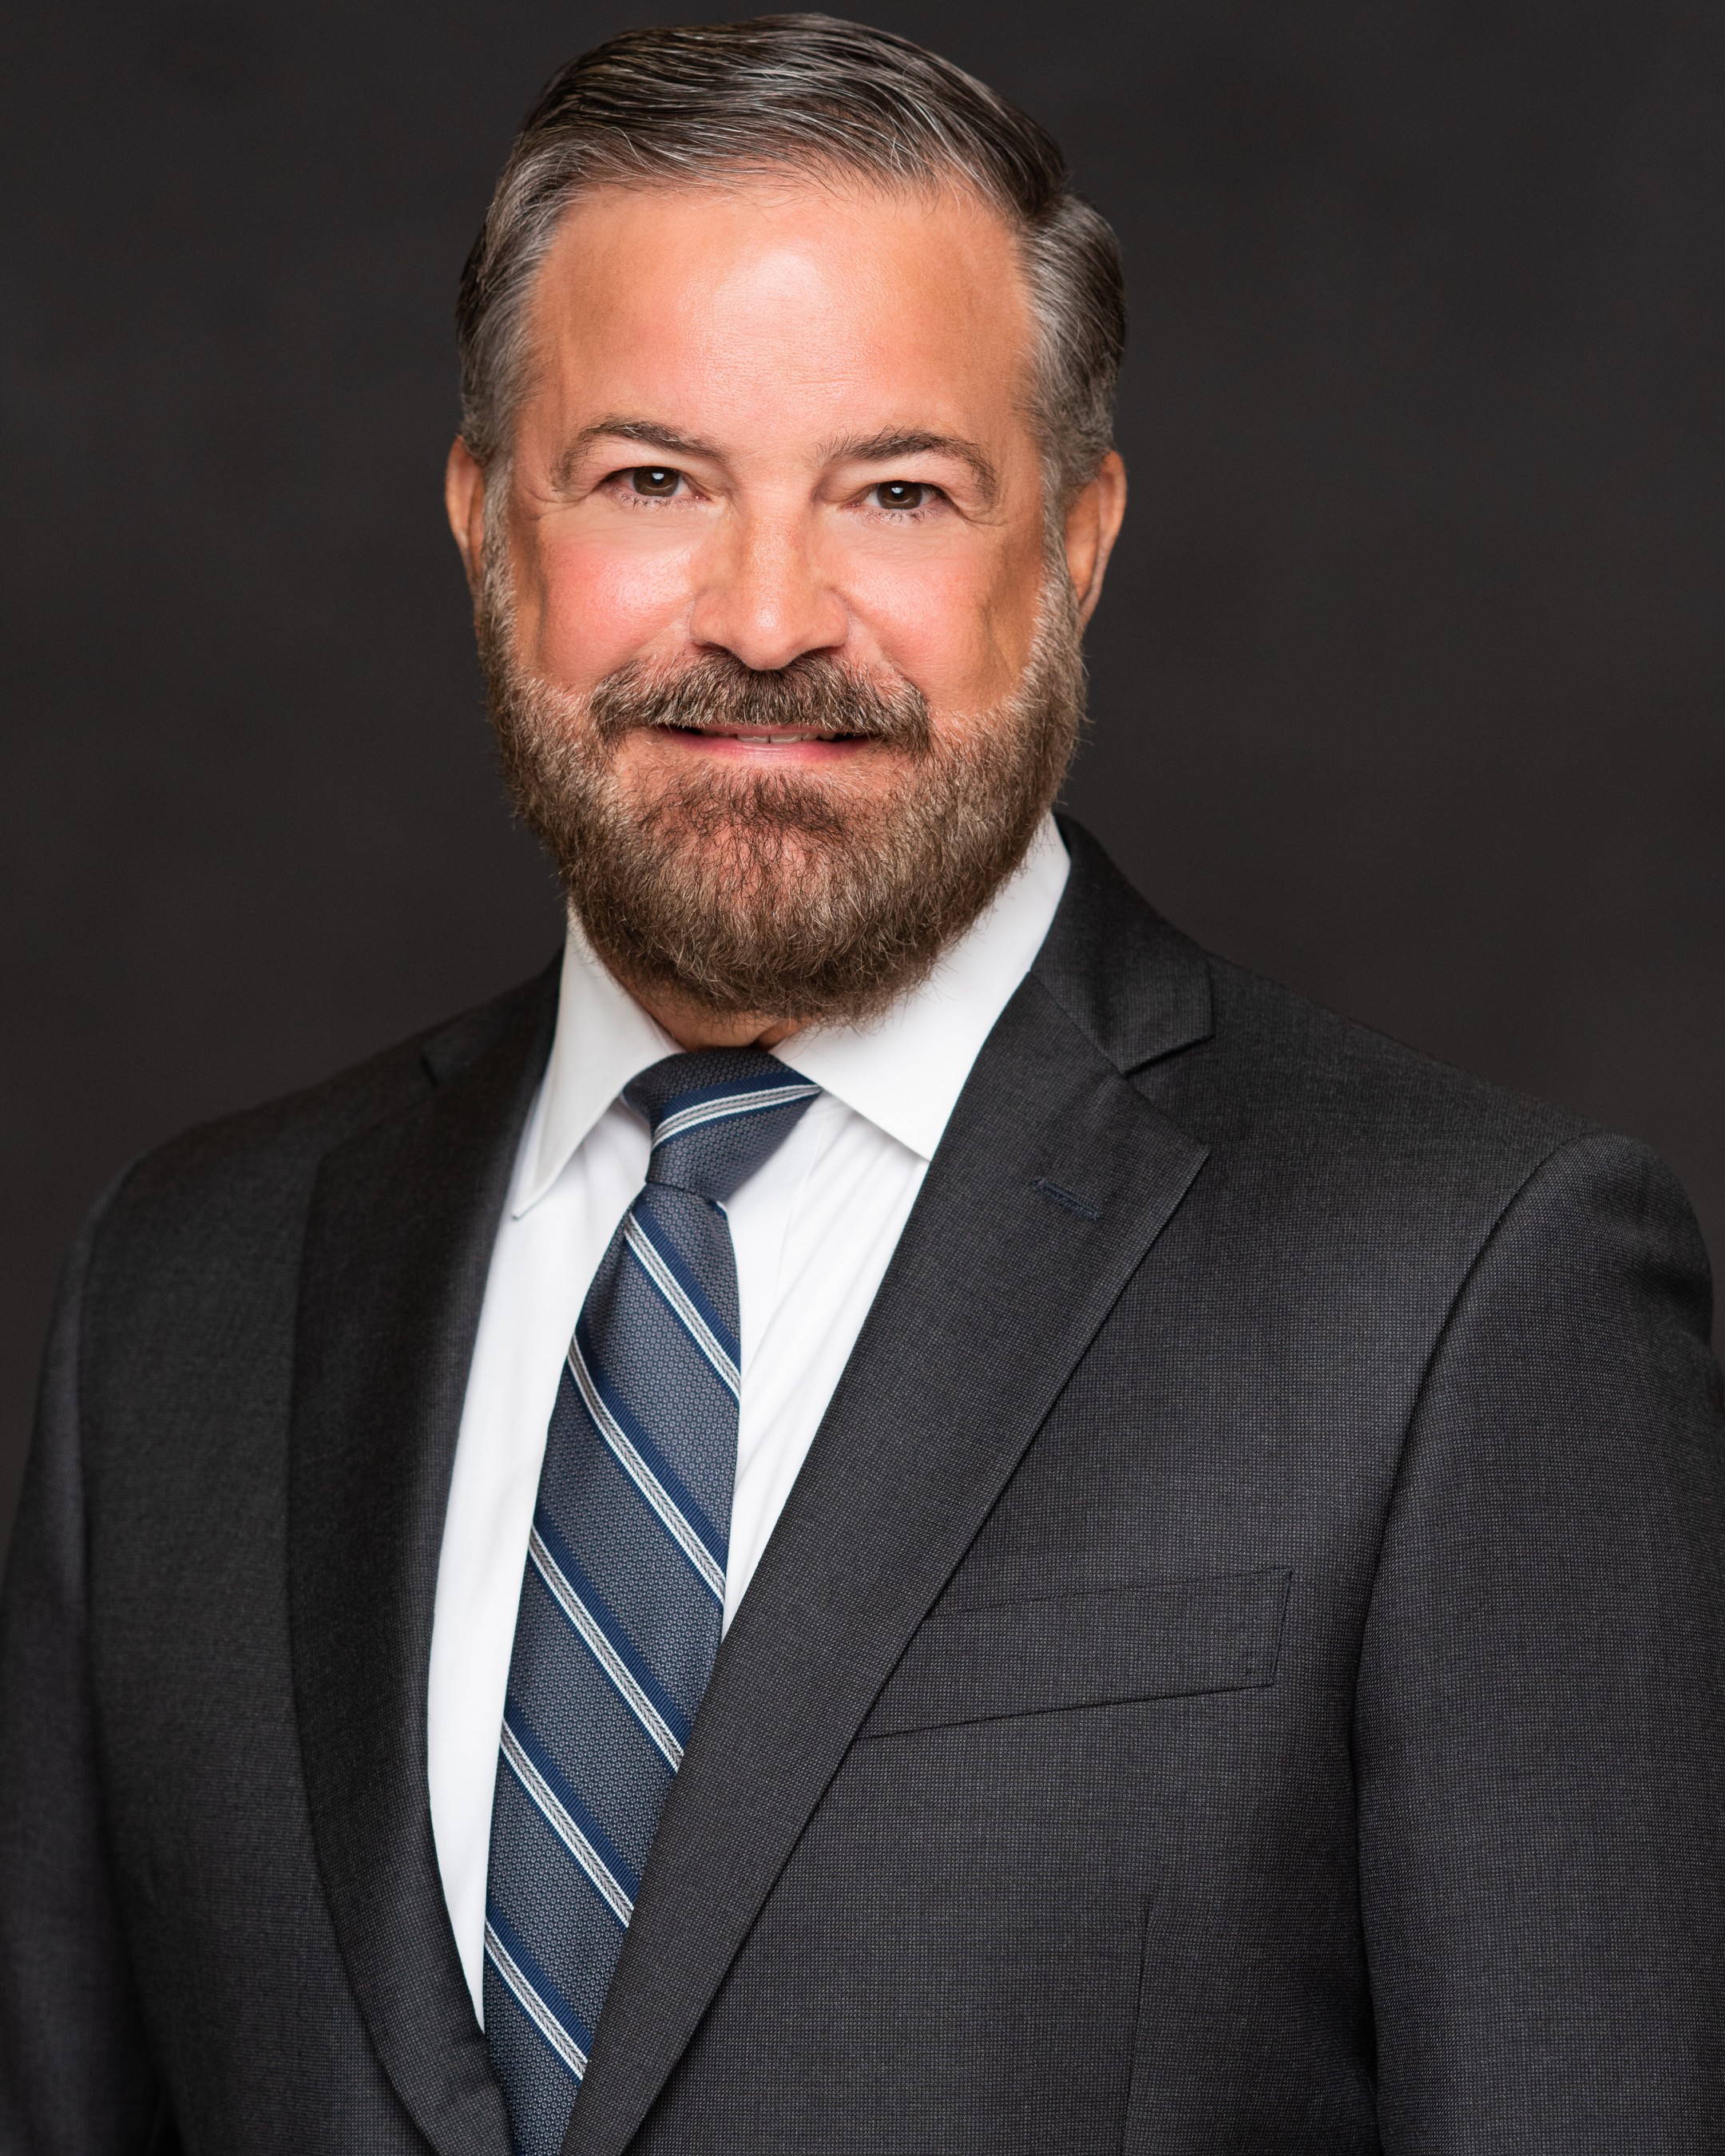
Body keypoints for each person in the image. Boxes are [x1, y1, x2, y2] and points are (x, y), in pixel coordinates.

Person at [2, 14, 1722, 2154]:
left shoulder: (1465, 1299)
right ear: (482, 524)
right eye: (652, 479)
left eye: (896, 490)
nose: (766, 615)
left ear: (1076, 545)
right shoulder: (183, 1293)